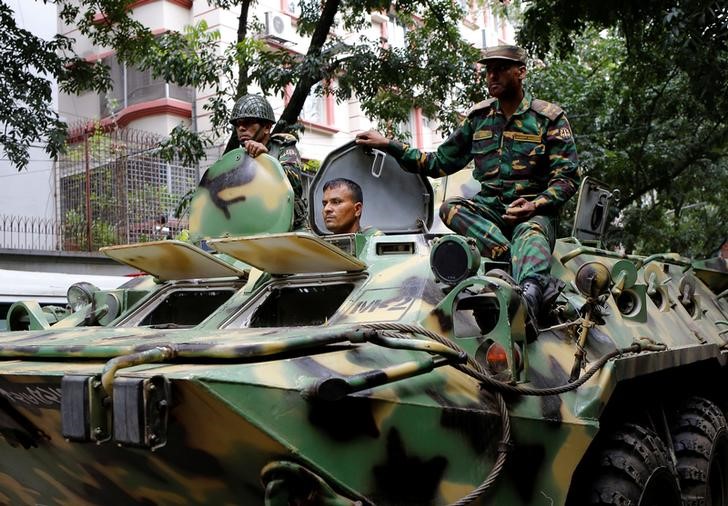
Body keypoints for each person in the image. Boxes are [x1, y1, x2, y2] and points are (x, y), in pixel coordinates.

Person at [355, 45, 580, 336]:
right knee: (451, 208)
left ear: (521, 72)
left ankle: (529, 301)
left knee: (531, 233)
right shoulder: (479, 119)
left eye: (500, 68)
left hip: (532, 213)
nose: (492, 75)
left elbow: (567, 179)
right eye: (488, 70)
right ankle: (512, 258)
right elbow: (437, 163)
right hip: (489, 216)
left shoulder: (548, 118)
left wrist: (535, 205)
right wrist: (390, 144)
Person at [229, 94, 307, 229]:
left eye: (248, 122)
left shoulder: (283, 147)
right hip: (250, 227)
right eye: (238, 124)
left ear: (267, 127)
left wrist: (265, 159)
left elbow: (293, 182)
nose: (241, 128)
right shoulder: (236, 160)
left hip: (289, 228)